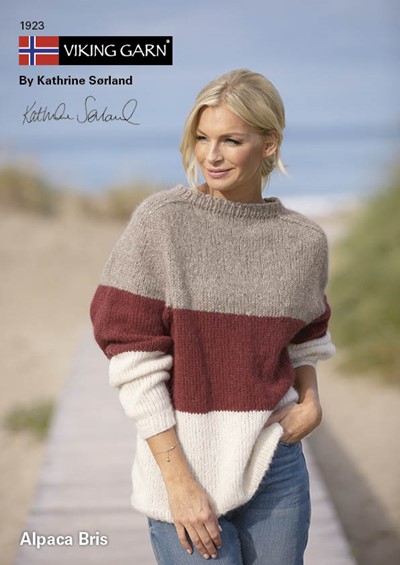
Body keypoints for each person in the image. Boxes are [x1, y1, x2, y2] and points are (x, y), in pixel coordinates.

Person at [90, 68, 336, 564]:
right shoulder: (162, 222)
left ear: (269, 144)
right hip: (183, 468)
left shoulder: (304, 241)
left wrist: (310, 401)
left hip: (275, 467)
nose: (211, 155)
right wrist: (178, 483)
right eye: (202, 138)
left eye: (231, 140)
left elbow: (305, 337)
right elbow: (132, 360)